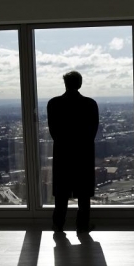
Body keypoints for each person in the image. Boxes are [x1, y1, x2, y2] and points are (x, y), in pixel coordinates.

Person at [47, 71, 99, 235]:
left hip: (63, 153)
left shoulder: (54, 104)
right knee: (83, 194)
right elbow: (92, 132)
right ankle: (82, 226)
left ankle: (58, 225)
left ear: (65, 84)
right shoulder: (90, 104)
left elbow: (53, 131)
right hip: (83, 153)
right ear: (80, 84)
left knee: (62, 193)